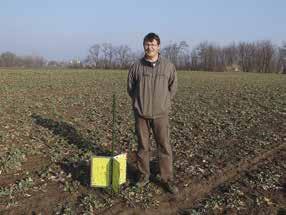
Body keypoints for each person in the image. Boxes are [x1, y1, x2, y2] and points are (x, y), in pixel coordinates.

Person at [127, 32, 178, 194]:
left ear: (158, 46)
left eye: (153, 44)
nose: (150, 47)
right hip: (141, 114)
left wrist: (163, 103)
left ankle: (167, 178)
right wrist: (139, 102)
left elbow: (173, 87)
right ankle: (144, 175)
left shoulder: (168, 66)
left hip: (161, 114)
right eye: (147, 44)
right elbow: (130, 88)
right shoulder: (136, 67)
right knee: (143, 147)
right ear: (144, 46)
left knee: (164, 146)